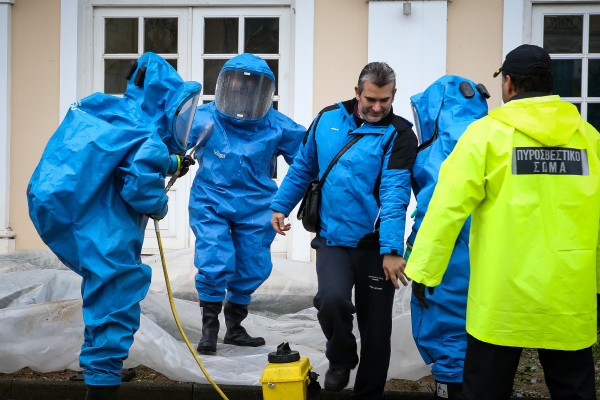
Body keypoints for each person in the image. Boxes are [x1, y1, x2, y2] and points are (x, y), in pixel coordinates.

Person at [404, 44, 600, 400]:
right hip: (568, 297)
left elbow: (446, 208)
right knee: (575, 390)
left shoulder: (484, 136)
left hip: (501, 300)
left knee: (485, 391)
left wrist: (423, 272)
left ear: (508, 83)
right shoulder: (588, 138)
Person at [27, 52, 201, 400]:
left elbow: (114, 155)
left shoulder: (104, 110)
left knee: (100, 285)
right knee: (116, 290)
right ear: (165, 100)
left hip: (69, 210)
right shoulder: (146, 135)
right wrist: (161, 203)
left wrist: (169, 162)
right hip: (106, 222)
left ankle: (99, 366)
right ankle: (102, 382)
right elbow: (139, 186)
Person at [271, 61, 417, 399]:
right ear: (357, 93)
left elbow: (395, 196)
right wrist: (281, 205)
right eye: (370, 99)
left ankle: (367, 394)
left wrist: (392, 250)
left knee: (377, 331)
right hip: (333, 238)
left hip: (376, 246)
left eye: (385, 100)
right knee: (331, 300)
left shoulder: (401, 134)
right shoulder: (327, 119)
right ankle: (341, 357)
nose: (378, 107)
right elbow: (304, 166)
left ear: (393, 95)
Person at [188, 53, 306, 355]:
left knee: (253, 263)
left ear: (264, 91)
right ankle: (210, 329)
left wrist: (307, 193)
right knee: (214, 256)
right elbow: (167, 142)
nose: (243, 91)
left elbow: (307, 159)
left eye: (251, 86)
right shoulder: (202, 118)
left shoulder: (277, 125)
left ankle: (235, 328)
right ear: (226, 84)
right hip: (211, 199)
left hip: (257, 204)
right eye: (238, 84)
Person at [406, 75, 489, 399]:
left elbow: (433, 207)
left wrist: (414, 249)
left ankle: (450, 390)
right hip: (489, 252)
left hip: (443, 254)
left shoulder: (439, 153)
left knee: (445, 326)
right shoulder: (489, 140)